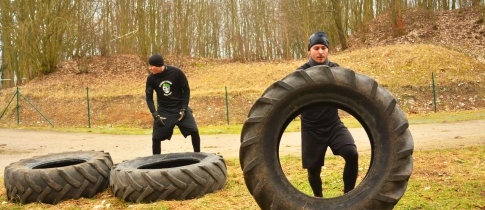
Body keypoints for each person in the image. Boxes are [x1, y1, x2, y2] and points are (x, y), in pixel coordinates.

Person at [297, 31, 359, 197]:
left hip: (333, 124)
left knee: (351, 154)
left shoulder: (335, 69)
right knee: (313, 171)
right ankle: (318, 198)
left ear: (328, 50)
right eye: (316, 48)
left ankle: (349, 196)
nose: (320, 52)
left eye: (324, 48)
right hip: (311, 128)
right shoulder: (300, 73)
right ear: (310, 50)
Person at [145, 53, 200, 154]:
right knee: (156, 138)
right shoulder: (151, 79)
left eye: (151, 66)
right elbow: (148, 98)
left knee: (194, 131)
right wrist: (155, 114)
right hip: (164, 111)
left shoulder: (176, 72)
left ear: (158, 65)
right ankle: (156, 163)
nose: (150, 68)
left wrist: (184, 108)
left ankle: (198, 155)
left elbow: (186, 90)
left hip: (180, 108)